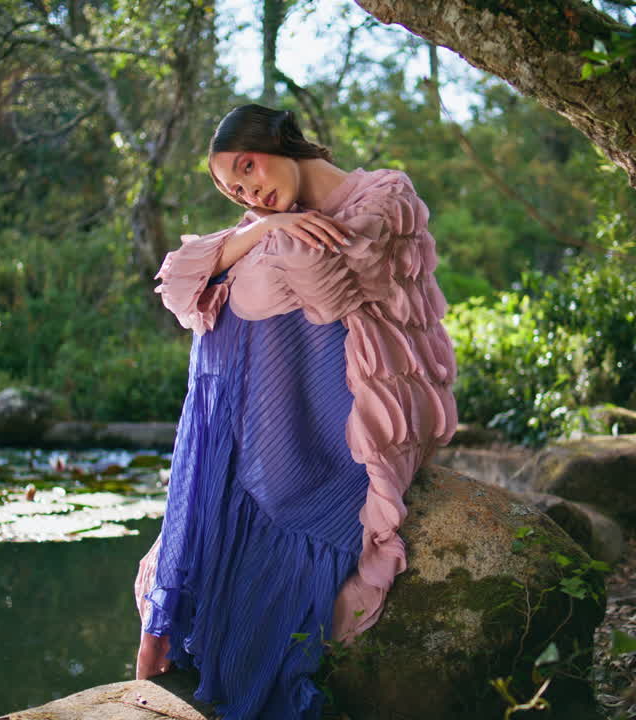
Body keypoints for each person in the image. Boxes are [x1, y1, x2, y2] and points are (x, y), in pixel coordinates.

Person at [133, 104, 457, 719]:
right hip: (274, 404)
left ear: (273, 139)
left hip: (356, 406)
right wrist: (257, 231)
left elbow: (328, 293)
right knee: (218, 328)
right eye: (233, 188)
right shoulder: (268, 221)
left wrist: (271, 236)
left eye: (247, 167)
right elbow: (177, 284)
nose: (248, 189)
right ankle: (164, 641)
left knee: (239, 315)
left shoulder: (384, 194)